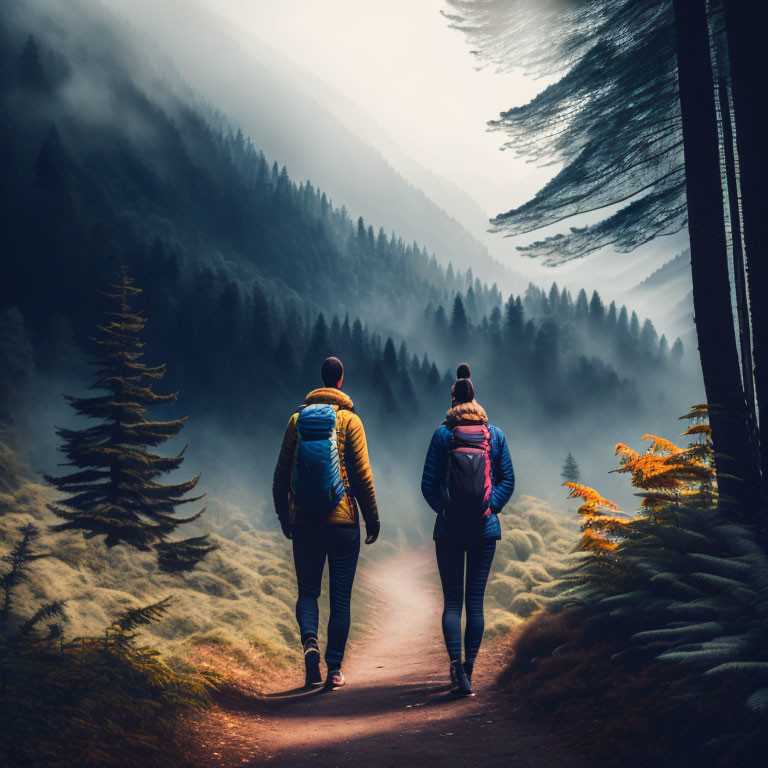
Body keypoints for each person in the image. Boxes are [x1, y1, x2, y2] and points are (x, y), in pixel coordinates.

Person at [273, 356, 380, 690]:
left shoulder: (296, 421)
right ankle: (334, 669)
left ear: (320, 380)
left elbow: (280, 476)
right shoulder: (350, 422)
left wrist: (284, 516)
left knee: (307, 592)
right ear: (341, 380)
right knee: (340, 598)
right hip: (343, 523)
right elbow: (362, 477)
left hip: (304, 522)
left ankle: (309, 644)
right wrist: (372, 518)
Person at [421, 374, 515, 696]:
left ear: (453, 401)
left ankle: (456, 669)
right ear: (476, 399)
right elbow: (508, 480)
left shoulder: (442, 435)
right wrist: (491, 507)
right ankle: (470, 671)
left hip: (448, 530)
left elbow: (428, 484)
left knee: (451, 602)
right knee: (475, 603)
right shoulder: (495, 436)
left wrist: (444, 509)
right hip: (484, 530)